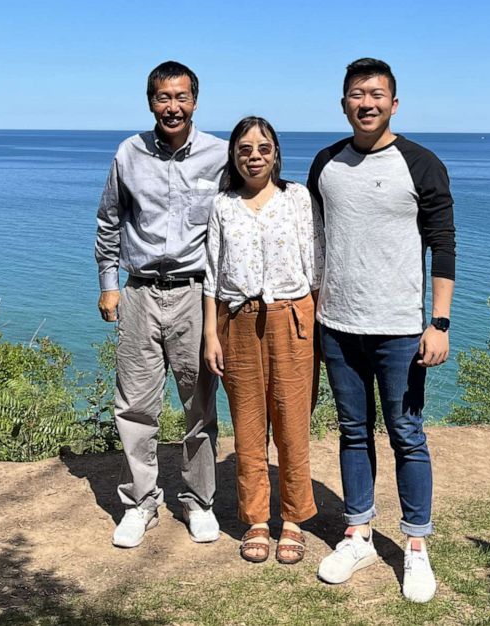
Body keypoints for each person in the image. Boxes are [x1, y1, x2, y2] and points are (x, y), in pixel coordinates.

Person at [308, 58, 456, 603]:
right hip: (339, 326)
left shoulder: (421, 163)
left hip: (399, 330)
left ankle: (416, 547)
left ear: (394, 103)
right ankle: (359, 533)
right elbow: (317, 241)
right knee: (352, 431)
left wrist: (438, 323)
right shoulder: (325, 163)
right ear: (343, 102)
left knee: (407, 436)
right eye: (356, 94)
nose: (366, 102)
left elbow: (444, 244)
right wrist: (316, 310)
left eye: (376, 94)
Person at [95, 61, 227, 548]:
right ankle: (140, 502)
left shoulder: (219, 154)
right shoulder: (128, 154)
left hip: (196, 293)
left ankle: (199, 502)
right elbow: (109, 221)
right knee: (134, 404)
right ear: (150, 101)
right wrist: (109, 284)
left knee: (199, 403)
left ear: (195, 100)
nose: (172, 107)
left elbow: (247, 208)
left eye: (181, 97)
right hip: (139, 291)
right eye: (162, 98)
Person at [203, 116, 324, 564]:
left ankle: (293, 518)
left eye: (263, 148)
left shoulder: (297, 198)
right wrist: (210, 335)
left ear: (276, 154)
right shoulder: (222, 205)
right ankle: (256, 518)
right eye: (245, 149)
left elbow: (318, 265)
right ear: (234, 157)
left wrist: (314, 328)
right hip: (237, 321)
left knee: (293, 423)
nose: (254, 156)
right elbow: (211, 277)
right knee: (249, 425)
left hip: (292, 318)